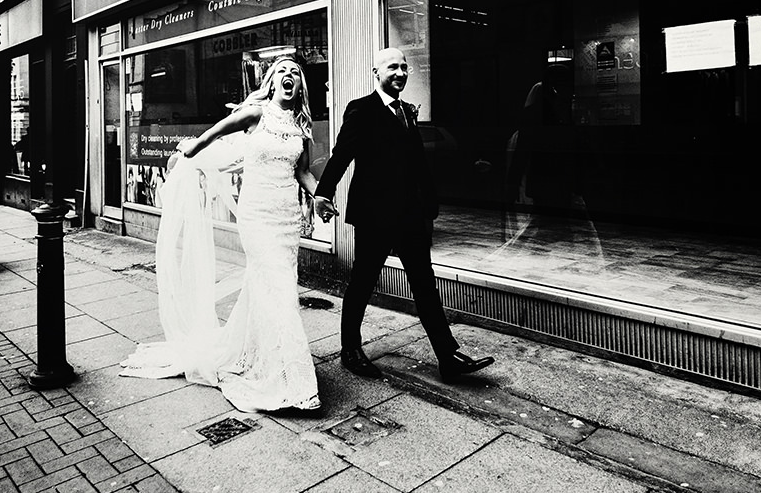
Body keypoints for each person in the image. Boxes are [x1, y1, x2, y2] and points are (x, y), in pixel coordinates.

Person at [120, 57, 321, 414]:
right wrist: (193, 148)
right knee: (280, 292)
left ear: (300, 86)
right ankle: (295, 381)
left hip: (286, 217)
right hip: (257, 214)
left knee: (273, 287)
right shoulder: (257, 114)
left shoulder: (301, 127)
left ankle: (254, 354)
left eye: (295, 73)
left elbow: (302, 172)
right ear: (272, 82)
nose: (289, 77)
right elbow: (220, 128)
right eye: (283, 72)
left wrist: (319, 197)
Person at [314, 47, 495, 383]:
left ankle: (447, 356)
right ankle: (350, 349)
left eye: (404, 67)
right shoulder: (362, 110)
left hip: (411, 216)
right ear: (376, 72)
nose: (400, 72)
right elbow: (341, 155)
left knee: (425, 284)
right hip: (374, 216)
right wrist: (323, 192)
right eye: (392, 67)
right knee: (363, 282)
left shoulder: (407, 111)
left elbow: (418, 165)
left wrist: (430, 204)